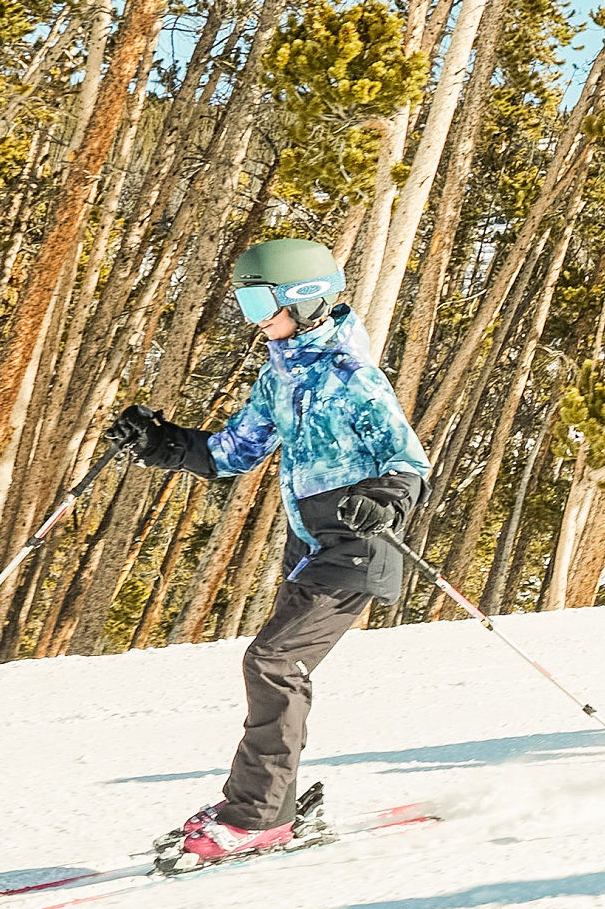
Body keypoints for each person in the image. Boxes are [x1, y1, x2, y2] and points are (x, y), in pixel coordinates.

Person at [103, 238, 429, 866]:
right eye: (244, 301)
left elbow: (407, 460)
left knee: (273, 662)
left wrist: (385, 499)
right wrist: (159, 442)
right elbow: (232, 452)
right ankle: (259, 804)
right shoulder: (280, 372)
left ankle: (257, 816)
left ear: (306, 299)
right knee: (275, 665)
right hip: (311, 545)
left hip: (360, 542)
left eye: (261, 300)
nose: (253, 317)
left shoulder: (350, 374)